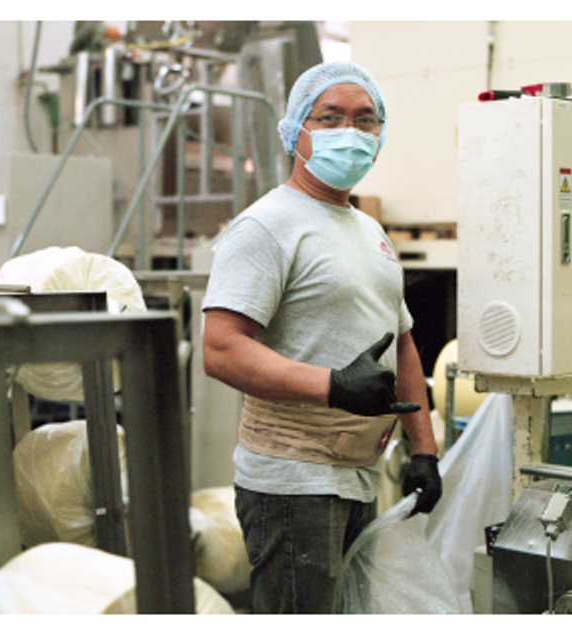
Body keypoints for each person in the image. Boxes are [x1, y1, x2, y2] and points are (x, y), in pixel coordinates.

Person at [201, 60, 442, 614]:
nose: (349, 133)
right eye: (330, 118)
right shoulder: (267, 225)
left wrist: (423, 449)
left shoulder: (369, 231)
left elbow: (401, 341)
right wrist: (331, 386)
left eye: (365, 120)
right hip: (293, 484)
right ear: (296, 131)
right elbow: (220, 347)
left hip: (359, 475)